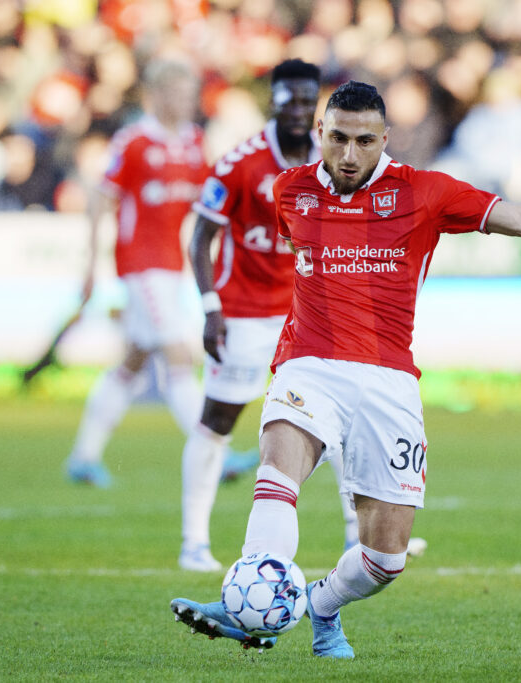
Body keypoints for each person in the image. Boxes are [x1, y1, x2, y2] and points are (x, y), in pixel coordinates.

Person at [170, 80, 521, 655]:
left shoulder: (426, 192)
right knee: (277, 474)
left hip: (388, 381)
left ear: (385, 139)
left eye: (364, 141)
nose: (349, 154)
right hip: (307, 364)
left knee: (385, 558)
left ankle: (319, 604)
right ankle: (251, 603)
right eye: (337, 138)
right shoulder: (290, 191)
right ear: (320, 136)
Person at [180, 59, 360, 573]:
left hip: (305, 316)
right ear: (273, 101)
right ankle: (194, 541)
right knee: (218, 420)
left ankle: (356, 535)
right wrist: (210, 307)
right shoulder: (241, 161)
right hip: (242, 312)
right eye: (291, 100)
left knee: (341, 416)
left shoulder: (333, 157)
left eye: (310, 101)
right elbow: (201, 238)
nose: (302, 111)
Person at [63, 61, 216, 572]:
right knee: (180, 353)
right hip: (139, 264)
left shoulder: (194, 142)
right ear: (155, 93)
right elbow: (100, 201)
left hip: (171, 266)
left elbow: (214, 202)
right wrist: (90, 264)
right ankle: (209, 439)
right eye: (177, 87)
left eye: (190, 88)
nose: (185, 97)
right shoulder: (132, 141)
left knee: (131, 363)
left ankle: (84, 457)